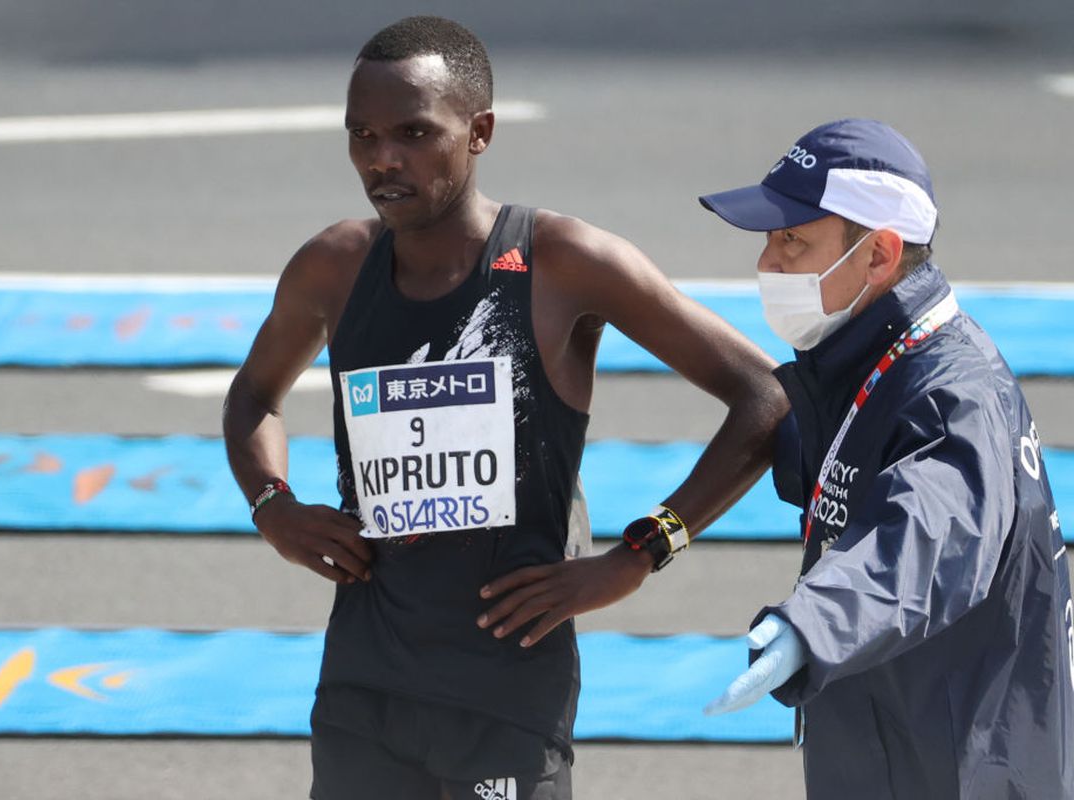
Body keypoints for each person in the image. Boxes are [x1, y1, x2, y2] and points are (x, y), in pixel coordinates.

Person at [223, 15, 785, 800]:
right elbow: (254, 395)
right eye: (361, 135)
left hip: (508, 690)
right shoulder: (334, 267)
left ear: (479, 131)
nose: (382, 159)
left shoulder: (561, 261)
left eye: (414, 132)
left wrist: (640, 552)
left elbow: (765, 397)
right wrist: (273, 506)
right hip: (364, 682)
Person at [699, 118, 1074, 798]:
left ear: (878, 255)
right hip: (883, 732)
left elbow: (922, 541)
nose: (766, 264)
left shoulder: (954, 396)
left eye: (792, 241)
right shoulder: (858, 357)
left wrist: (809, 626)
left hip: (961, 762)